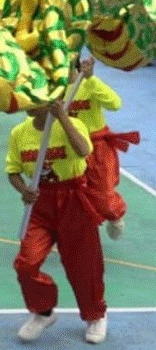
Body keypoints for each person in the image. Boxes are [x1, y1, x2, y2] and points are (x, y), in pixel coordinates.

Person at [7, 98, 106, 344]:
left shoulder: (72, 124)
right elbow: (13, 170)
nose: (28, 102)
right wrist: (23, 190)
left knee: (84, 265)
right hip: (40, 204)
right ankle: (43, 311)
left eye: (36, 98)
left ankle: (96, 314)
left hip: (74, 200)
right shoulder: (19, 133)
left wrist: (62, 117)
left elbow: (84, 151)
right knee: (26, 264)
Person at [68, 57, 138, 240]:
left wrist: (91, 79)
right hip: (68, 149)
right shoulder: (55, 91)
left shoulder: (88, 85)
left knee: (103, 197)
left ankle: (115, 214)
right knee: (68, 192)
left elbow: (115, 103)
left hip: (97, 149)